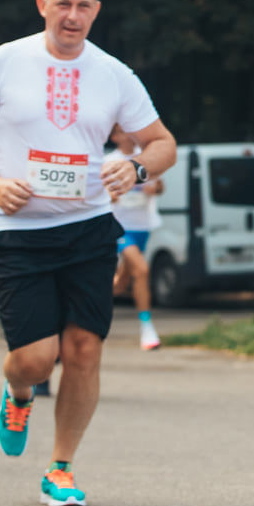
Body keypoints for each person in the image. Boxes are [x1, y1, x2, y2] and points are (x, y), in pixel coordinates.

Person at [0, 0, 176, 506]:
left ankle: (61, 466)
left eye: (83, 6)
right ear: (42, 5)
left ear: (96, 11)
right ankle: (18, 391)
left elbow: (162, 143)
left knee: (83, 350)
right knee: (34, 357)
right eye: (63, 4)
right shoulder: (4, 61)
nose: (72, 16)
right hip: (20, 227)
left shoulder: (115, 74)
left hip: (89, 226)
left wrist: (137, 168)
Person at [106, 124, 164, 350]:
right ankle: (147, 329)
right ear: (115, 137)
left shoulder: (145, 159)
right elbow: (100, 192)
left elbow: (159, 185)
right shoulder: (109, 161)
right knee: (142, 270)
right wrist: (111, 195)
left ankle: (78, 300)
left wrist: (155, 189)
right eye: (122, 131)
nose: (129, 134)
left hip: (143, 226)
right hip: (120, 227)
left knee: (121, 284)